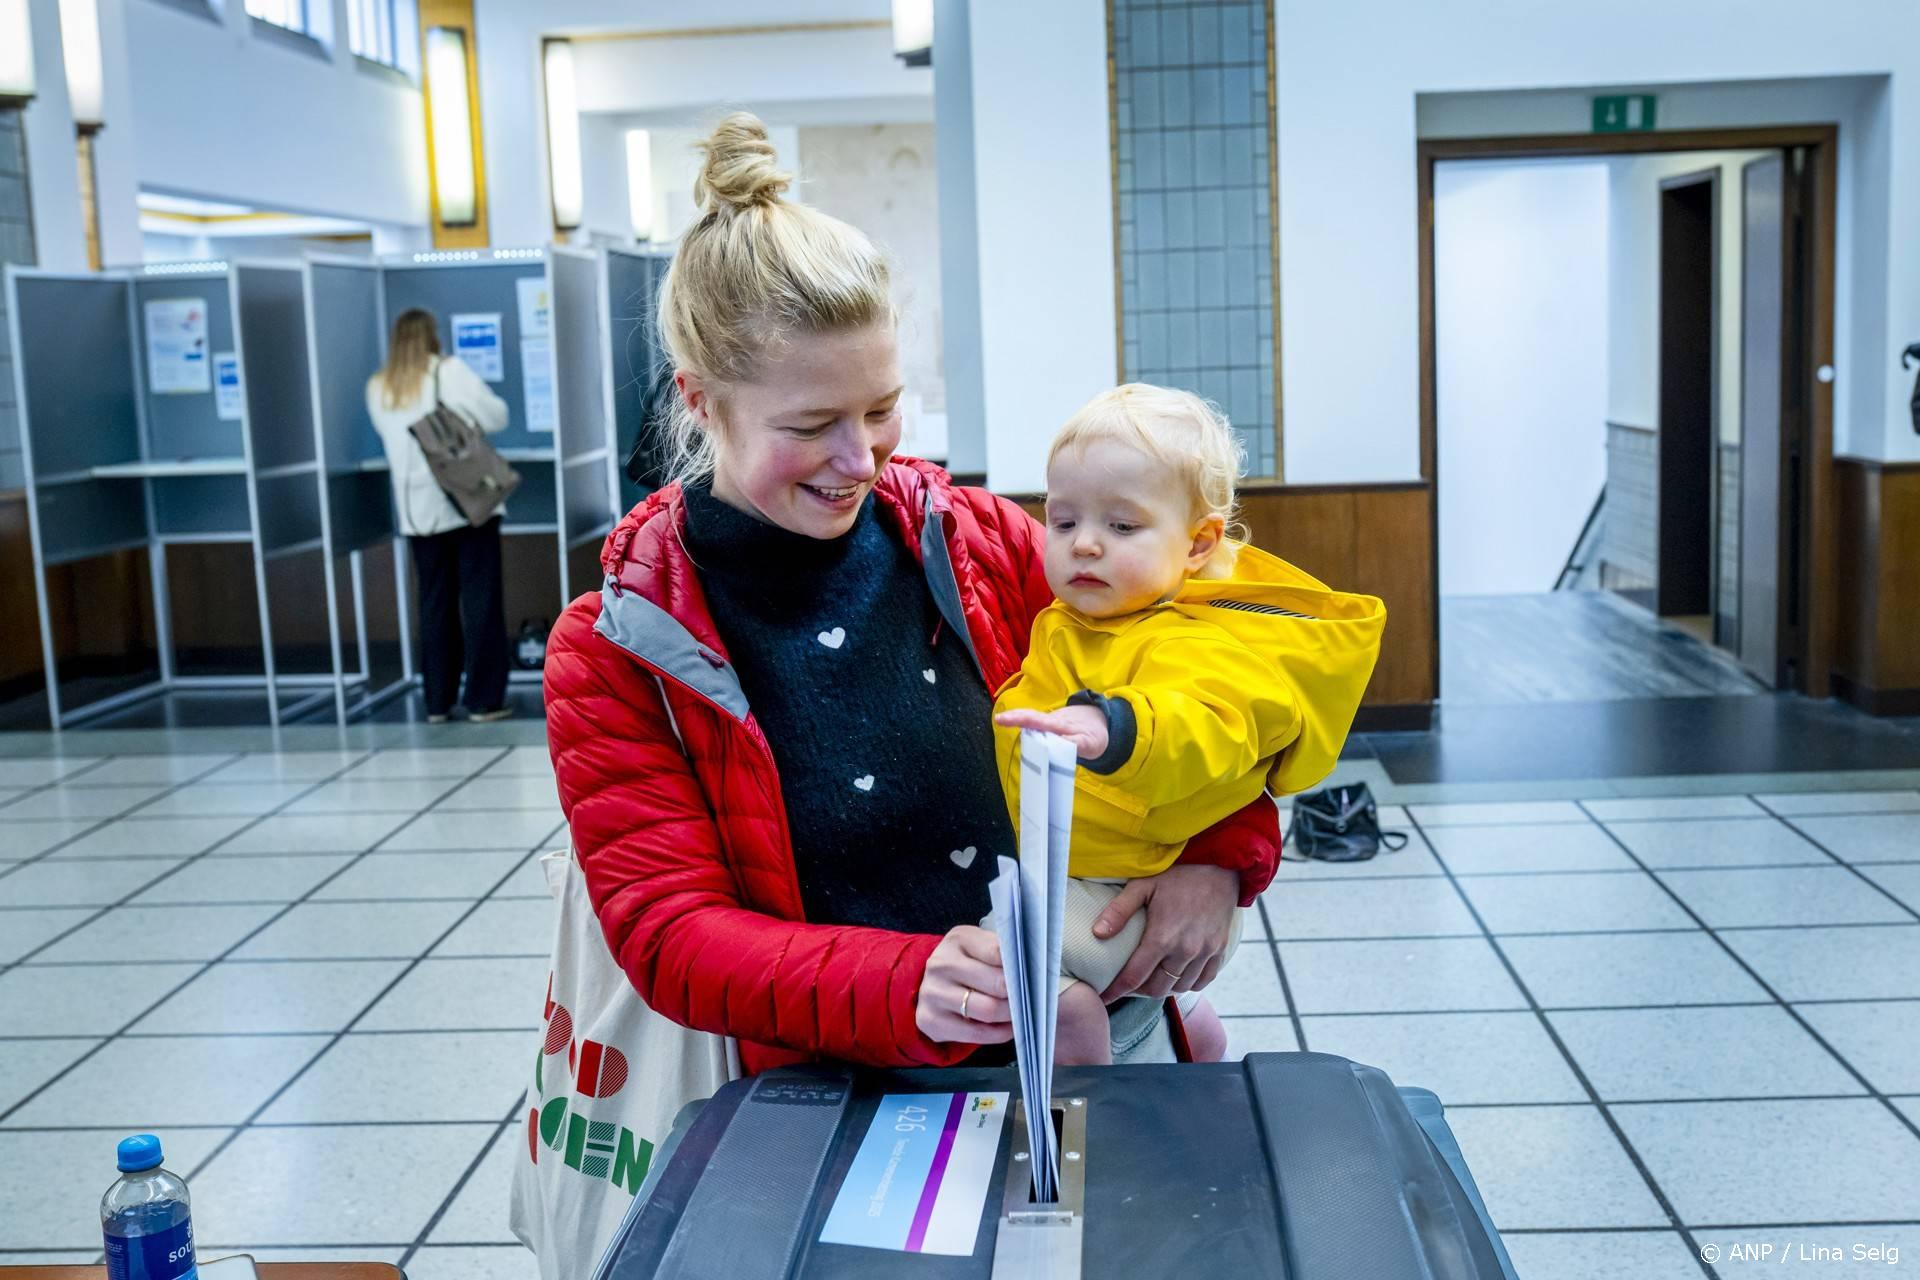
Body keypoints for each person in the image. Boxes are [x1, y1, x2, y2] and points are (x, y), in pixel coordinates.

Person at [543, 113, 1282, 1077]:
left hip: (1098, 1043)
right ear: (700, 402)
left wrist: (1221, 852)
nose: (860, 459)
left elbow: (1201, 667)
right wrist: (909, 983)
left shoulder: (979, 541)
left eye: (883, 409)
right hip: (850, 1082)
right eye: (811, 425)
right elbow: (670, 934)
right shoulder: (619, 646)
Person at [991, 384, 1386, 1065]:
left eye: (1122, 527)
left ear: (1198, 543)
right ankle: (1195, 1030)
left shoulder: (1190, 637)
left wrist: (1116, 728)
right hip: (1108, 863)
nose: (1085, 545)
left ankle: (1083, 1079)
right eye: (1063, 521)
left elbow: (1209, 722)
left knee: (1011, 963)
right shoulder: (1086, 619)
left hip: (1131, 879)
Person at [366, 308, 514, 724]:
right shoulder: (446, 371)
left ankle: (437, 700)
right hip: (465, 502)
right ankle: (483, 700)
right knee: (480, 600)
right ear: (432, 336)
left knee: (433, 604)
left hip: (416, 512)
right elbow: (497, 416)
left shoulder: (380, 386)